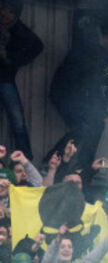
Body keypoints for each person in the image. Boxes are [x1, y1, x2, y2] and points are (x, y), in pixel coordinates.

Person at [48, 19, 108, 171]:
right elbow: (93, 85)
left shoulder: (91, 46)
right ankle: (54, 161)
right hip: (65, 95)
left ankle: (83, 164)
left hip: (72, 94)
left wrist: (101, 114)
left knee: (92, 126)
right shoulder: (93, 52)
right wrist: (104, 114)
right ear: (107, 38)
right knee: (83, 128)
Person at [0, 0, 42, 160]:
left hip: (5, 79)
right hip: (6, 79)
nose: (6, 14)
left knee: (17, 121)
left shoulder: (18, 29)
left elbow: (37, 46)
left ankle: (25, 161)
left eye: (11, 12)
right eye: (4, 9)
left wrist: (13, 60)